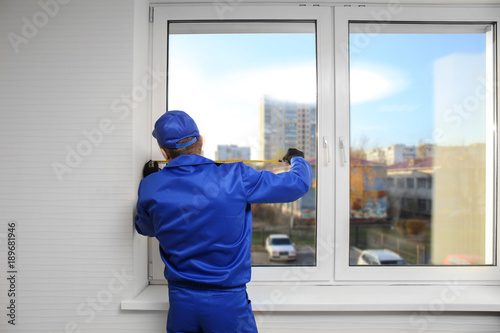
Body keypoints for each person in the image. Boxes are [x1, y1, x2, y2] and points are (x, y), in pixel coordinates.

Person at [135, 110, 313, 333]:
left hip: (181, 303)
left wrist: (151, 182)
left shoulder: (151, 186)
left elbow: (146, 228)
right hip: (227, 304)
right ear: (200, 141)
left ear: (163, 151)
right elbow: (297, 184)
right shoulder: (235, 176)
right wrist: (297, 159)